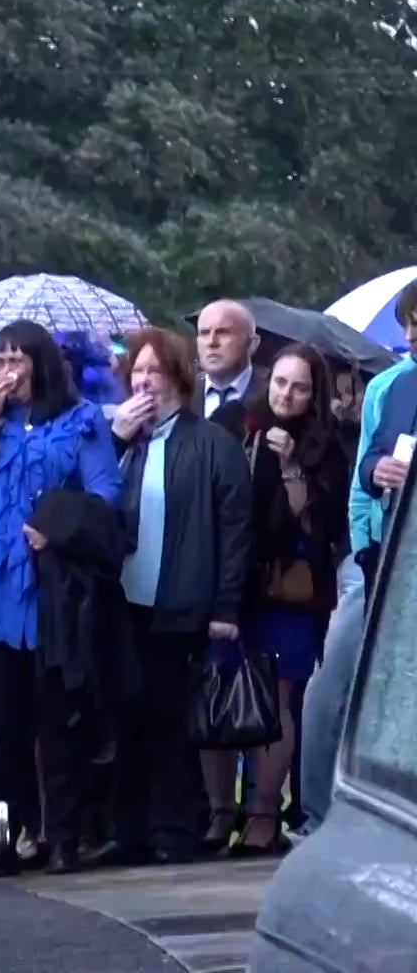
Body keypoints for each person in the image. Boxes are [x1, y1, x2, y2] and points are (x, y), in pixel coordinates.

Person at [0, 320, 123, 876]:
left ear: (40, 364)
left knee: (56, 720)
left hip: (51, 591)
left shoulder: (81, 423)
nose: (7, 369)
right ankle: (0, 839)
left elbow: (105, 495)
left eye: (17, 359)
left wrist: (55, 524)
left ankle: (64, 836)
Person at [100, 327, 251, 867]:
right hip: (122, 606)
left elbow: (235, 532)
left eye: (154, 372)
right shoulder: (115, 440)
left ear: (178, 380)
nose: (143, 382)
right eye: (136, 372)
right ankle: (128, 829)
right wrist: (116, 439)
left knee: (169, 721)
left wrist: (225, 608)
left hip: (180, 606)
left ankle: (174, 829)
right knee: (126, 719)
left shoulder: (212, 445)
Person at [199, 345, 347, 856]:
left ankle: (263, 811)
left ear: (314, 394)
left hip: (290, 587)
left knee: (279, 698)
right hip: (232, 582)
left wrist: (289, 466)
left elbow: (319, 522)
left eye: (300, 386)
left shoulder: (325, 444)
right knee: (218, 691)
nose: (287, 394)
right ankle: (220, 811)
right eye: (281, 382)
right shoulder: (235, 423)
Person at [299, 284, 417, 836]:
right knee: (329, 687)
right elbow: (365, 466)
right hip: (378, 560)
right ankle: (318, 819)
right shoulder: (389, 387)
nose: (411, 336)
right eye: (407, 323)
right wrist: (367, 545)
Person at [196, 300, 266, 430]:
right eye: (204, 333)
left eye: (223, 332)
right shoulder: (181, 394)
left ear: (252, 343)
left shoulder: (272, 394)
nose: (211, 342)